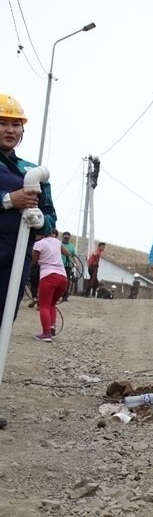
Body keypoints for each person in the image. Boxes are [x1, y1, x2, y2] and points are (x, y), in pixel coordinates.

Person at [0, 93, 58, 429]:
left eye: (15, 124)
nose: (10, 130)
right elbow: (12, 200)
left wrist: (40, 222)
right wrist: (10, 200)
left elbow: (51, 217)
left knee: (3, 325)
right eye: (4, 123)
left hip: (14, 260)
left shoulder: (32, 172)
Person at [31, 229, 70, 342]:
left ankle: (46, 334)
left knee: (44, 306)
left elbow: (33, 261)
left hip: (48, 276)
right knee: (52, 304)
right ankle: (52, 326)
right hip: (63, 277)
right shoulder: (57, 242)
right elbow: (67, 253)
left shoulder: (38, 244)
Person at [60, 231, 78, 301]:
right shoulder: (58, 244)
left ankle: (65, 296)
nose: (66, 239)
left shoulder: (72, 246)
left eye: (67, 238)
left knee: (66, 281)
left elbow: (74, 256)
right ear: (62, 237)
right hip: (58, 265)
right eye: (65, 238)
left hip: (67, 266)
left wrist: (77, 264)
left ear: (69, 238)